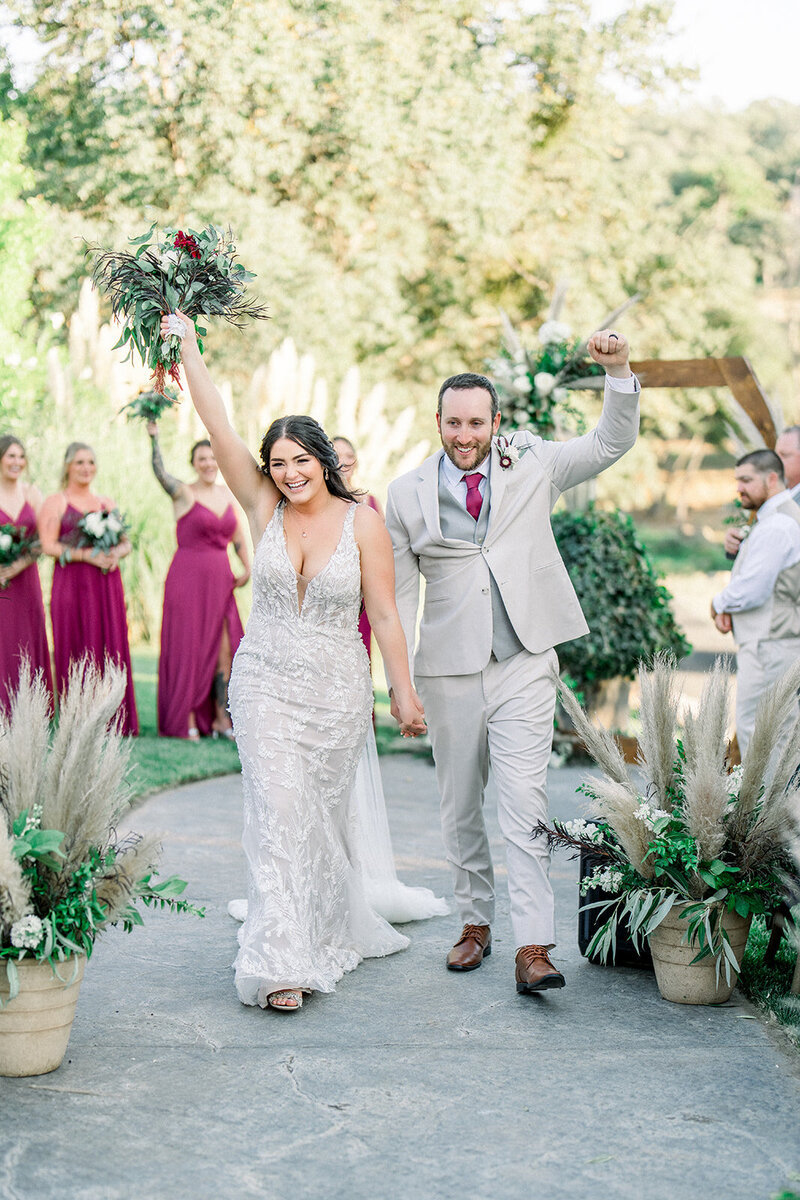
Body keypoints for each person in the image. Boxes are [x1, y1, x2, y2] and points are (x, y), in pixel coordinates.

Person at [162, 310, 428, 1013]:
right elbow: (216, 422)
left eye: (300, 461)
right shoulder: (261, 506)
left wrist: (402, 694)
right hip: (266, 683)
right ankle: (280, 960)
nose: (289, 473)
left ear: (325, 461)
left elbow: (388, 615)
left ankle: (320, 927)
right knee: (278, 812)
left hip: (337, 694)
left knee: (316, 821)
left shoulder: (363, 521)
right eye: (277, 464)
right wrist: (188, 349)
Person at [385, 330, 639, 996]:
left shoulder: (530, 461)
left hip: (525, 659)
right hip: (447, 671)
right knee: (459, 804)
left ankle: (533, 946)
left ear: (497, 422)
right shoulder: (406, 493)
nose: (465, 433)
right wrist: (400, 686)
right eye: (453, 422)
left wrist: (617, 371)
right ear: (437, 423)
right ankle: (475, 925)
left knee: (524, 803)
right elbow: (398, 594)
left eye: (476, 421)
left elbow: (607, 443)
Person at [146, 423, 250, 739]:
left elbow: (237, 536)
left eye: (212, 458)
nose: (208, 464)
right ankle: (186, 715)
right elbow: (159, 472)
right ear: (194, 463)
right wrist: (154, 438)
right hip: (187, 580)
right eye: (201, 459)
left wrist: (247, 566)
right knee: (188, 646)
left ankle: (221, 718)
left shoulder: (227, 494)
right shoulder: (183, 493)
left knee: (226, 648)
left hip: (221, 582)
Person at [38, 443, 139, 735]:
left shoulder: (106, 502)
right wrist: (86, 556)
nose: (86, 468)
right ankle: (78, 720)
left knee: (109, 643)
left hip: (106, 584)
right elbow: (48, 545)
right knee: (76, 642)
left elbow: (126, 541)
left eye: (91, 462)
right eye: (80, 462)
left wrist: (114, 554)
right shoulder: (56, 501)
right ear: (67, 465)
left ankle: (113, 718)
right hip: (72, 584)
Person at [711, 449, 800, 756]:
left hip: (769, 643)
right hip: (772, 641)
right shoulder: (777, 519)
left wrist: (718, 603)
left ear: (772, 478)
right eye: (738, 480)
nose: (740, 488)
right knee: (776, 732)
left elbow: (755, 587)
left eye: (747, 480)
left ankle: (766, 805)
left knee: (760, 732)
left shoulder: (777, 524)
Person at [0, 435, 53, 713]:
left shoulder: (32, 492)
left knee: (24, 638)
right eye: (11, 455)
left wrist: (19, 565)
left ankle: (29, 710)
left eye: (21, 456)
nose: (17, 462)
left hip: (25, 581)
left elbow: (43, 539)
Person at [332, 436, 383, 660]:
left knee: (361, 653)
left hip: (364, 593)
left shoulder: (370, 501)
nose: (343, 462)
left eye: (349, 456)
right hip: (332, 591)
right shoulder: (322, 502)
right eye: (336, 456)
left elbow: (384, 549)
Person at [724, 425, 800, 559]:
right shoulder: (770, 497)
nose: (776, 462)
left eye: (784, 455)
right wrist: (738, 545)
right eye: (775, 455)